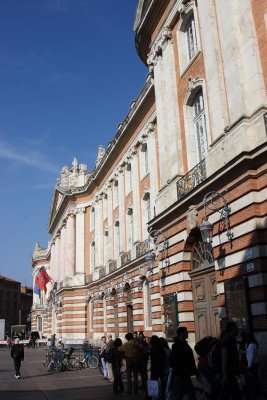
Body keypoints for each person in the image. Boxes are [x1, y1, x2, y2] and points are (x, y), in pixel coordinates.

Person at [169, 326, 197, 400]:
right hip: (182, 373)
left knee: (182, 392)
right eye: (186, 331)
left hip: (184, 372)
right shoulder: (177, 345)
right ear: (182, 334)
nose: (187, 333)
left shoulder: (183, 343)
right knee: (190, 392)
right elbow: (176, 360)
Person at [219, 320, 242, 400]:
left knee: (226, 395)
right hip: (229, 373)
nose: (237, 329)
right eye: (236, 328)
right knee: (236, 395)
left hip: (231, 372)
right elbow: (224, 356)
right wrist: (225, 373)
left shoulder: (230, 338)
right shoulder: (228, 339)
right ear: (232, 329)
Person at [149, 335, 166, 399]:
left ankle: (151, 397)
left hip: (154, 368)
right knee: (163, 383)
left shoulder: (152, 349)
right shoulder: (161, 349)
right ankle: (162, 396)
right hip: (161, 368)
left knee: (153, 384)